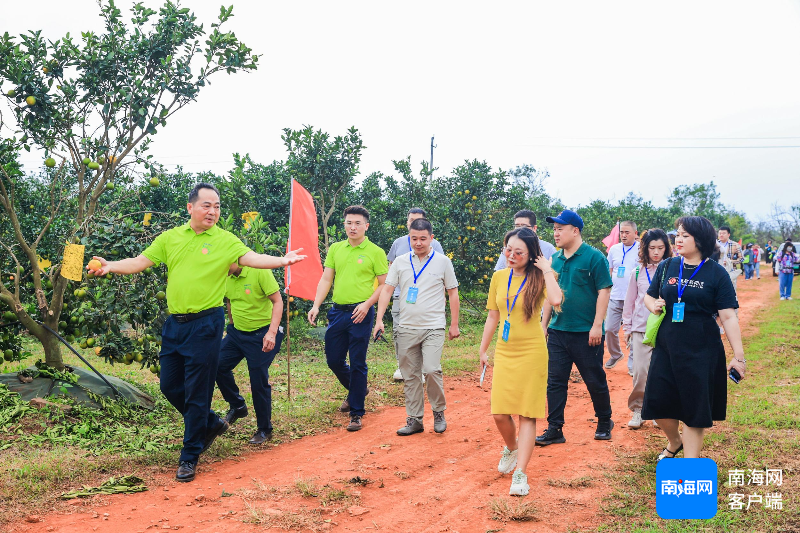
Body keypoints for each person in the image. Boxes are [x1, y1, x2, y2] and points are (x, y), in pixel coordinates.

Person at [87, 183, 306, 482]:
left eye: (216, 206)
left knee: (197, 391)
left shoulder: (226, 240)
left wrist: (281, 260)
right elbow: (140, 262)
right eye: (206, 205)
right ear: (190, 207)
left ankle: (190, 456)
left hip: (207, 323)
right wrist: (110, 266)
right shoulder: (171, 238)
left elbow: (251, 257)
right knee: (169, 385)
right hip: (175, 323)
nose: (213, 211)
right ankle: (211, 423)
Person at [642, 216, 746, 461]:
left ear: (700, 240)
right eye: (677, 234)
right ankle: (674, 441)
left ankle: (691, 466)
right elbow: (648, 296)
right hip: (666, 347)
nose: (678, 239)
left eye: (685, 235)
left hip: (701, 350)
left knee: (693, 409)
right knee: (657, 404)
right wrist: (653, 305)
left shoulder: (716, 273)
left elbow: (729, 317)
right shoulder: (668, 265)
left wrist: (738, 357)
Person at [479, 228, 563, 496]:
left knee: (527, 414)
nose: (511, 256)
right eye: (508, 250)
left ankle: (521, 474)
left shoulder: (540, 278)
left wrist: (547, 269)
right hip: (505, 350)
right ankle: (512, 449)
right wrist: (483, 349)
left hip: (532, 351)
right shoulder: (498, 277)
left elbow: (557, 299)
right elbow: (493, 316)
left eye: (518, 252)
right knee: (499, 412)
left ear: (530, 256)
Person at [373, 218, 460, 437]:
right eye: (414, 238)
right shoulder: (401, 261)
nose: (418, 243)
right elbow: (386, 290)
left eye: (423, 238)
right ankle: (414, 419)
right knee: (410, 375)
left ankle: (438, 412)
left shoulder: (442, 262)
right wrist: (379, 319)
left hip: (433, 326)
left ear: (431, 238)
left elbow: (453, 293)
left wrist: (454, 324)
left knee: (431, 369)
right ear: (409, 237)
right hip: (406, 327)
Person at [536, 210, 615, 447]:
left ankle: (604, 421)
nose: (556, 233)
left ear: (575, 230)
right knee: (555, 381)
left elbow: (604, 291)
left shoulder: (594, 257)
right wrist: (544, 325)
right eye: (554, 229)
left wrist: (597, 326)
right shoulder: (555, 261)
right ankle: (554, 428)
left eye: (560, 228)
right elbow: (551, 296)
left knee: (594, 378)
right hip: (559, 331)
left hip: (585, 332)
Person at [308, 205, 388, 432]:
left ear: (366, 226)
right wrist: (316, 305)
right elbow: (326, 279)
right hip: (337, 312)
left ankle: (356, 412)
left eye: (357, 223)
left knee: (357, 362)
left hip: (361, 313)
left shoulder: (375, 252)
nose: (352, 227)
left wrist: (366, 305)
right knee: (333, 360)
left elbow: (384, 286)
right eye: (349, 223)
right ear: (344, 224)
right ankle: (358, 390)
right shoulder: (335, 249)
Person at [215, 262, 284, 445]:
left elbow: (277, 301)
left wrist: (272, 332)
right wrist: (231, 325)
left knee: (257, 379)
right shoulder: (225, 275)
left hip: (262, 333)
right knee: (216, 365)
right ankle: (238, 405)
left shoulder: (259, 271)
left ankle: (264, 429)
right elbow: (229, 301)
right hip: (237, 333)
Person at [386, 208, 445, 381]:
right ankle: (402, 365)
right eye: (411, 220)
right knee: (399, 331)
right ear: (407, 223)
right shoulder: (398, 243)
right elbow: (391, 268)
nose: (414, 223)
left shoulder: (436, 245)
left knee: (423, 332)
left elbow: (441, 273)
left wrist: (441, 300)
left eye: (418, 220)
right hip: (400, 296)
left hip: (427, 298)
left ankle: (421, 367)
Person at [621, 229, 672, 429]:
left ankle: (659, 411)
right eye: (652, 248)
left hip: (666, 328)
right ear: (645, 249)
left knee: (662, 372)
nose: (656, 252)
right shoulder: (638, 271)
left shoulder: (673, 270)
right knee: (640, 371)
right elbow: (630, 300)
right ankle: (638, 410)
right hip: (641, 327)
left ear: (667, 249)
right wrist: (627, 327)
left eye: (661, 248)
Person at [603, 221, 640, 375]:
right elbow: (610, 270)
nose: (624, 235)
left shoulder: (641, 249)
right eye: (622, 232)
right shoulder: (614, 249)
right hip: (616, 296)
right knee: (610, 329)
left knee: (633, 331)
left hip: (634, 298)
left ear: (635, 233)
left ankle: (632, 363)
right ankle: (616, 354)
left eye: (627, 232)